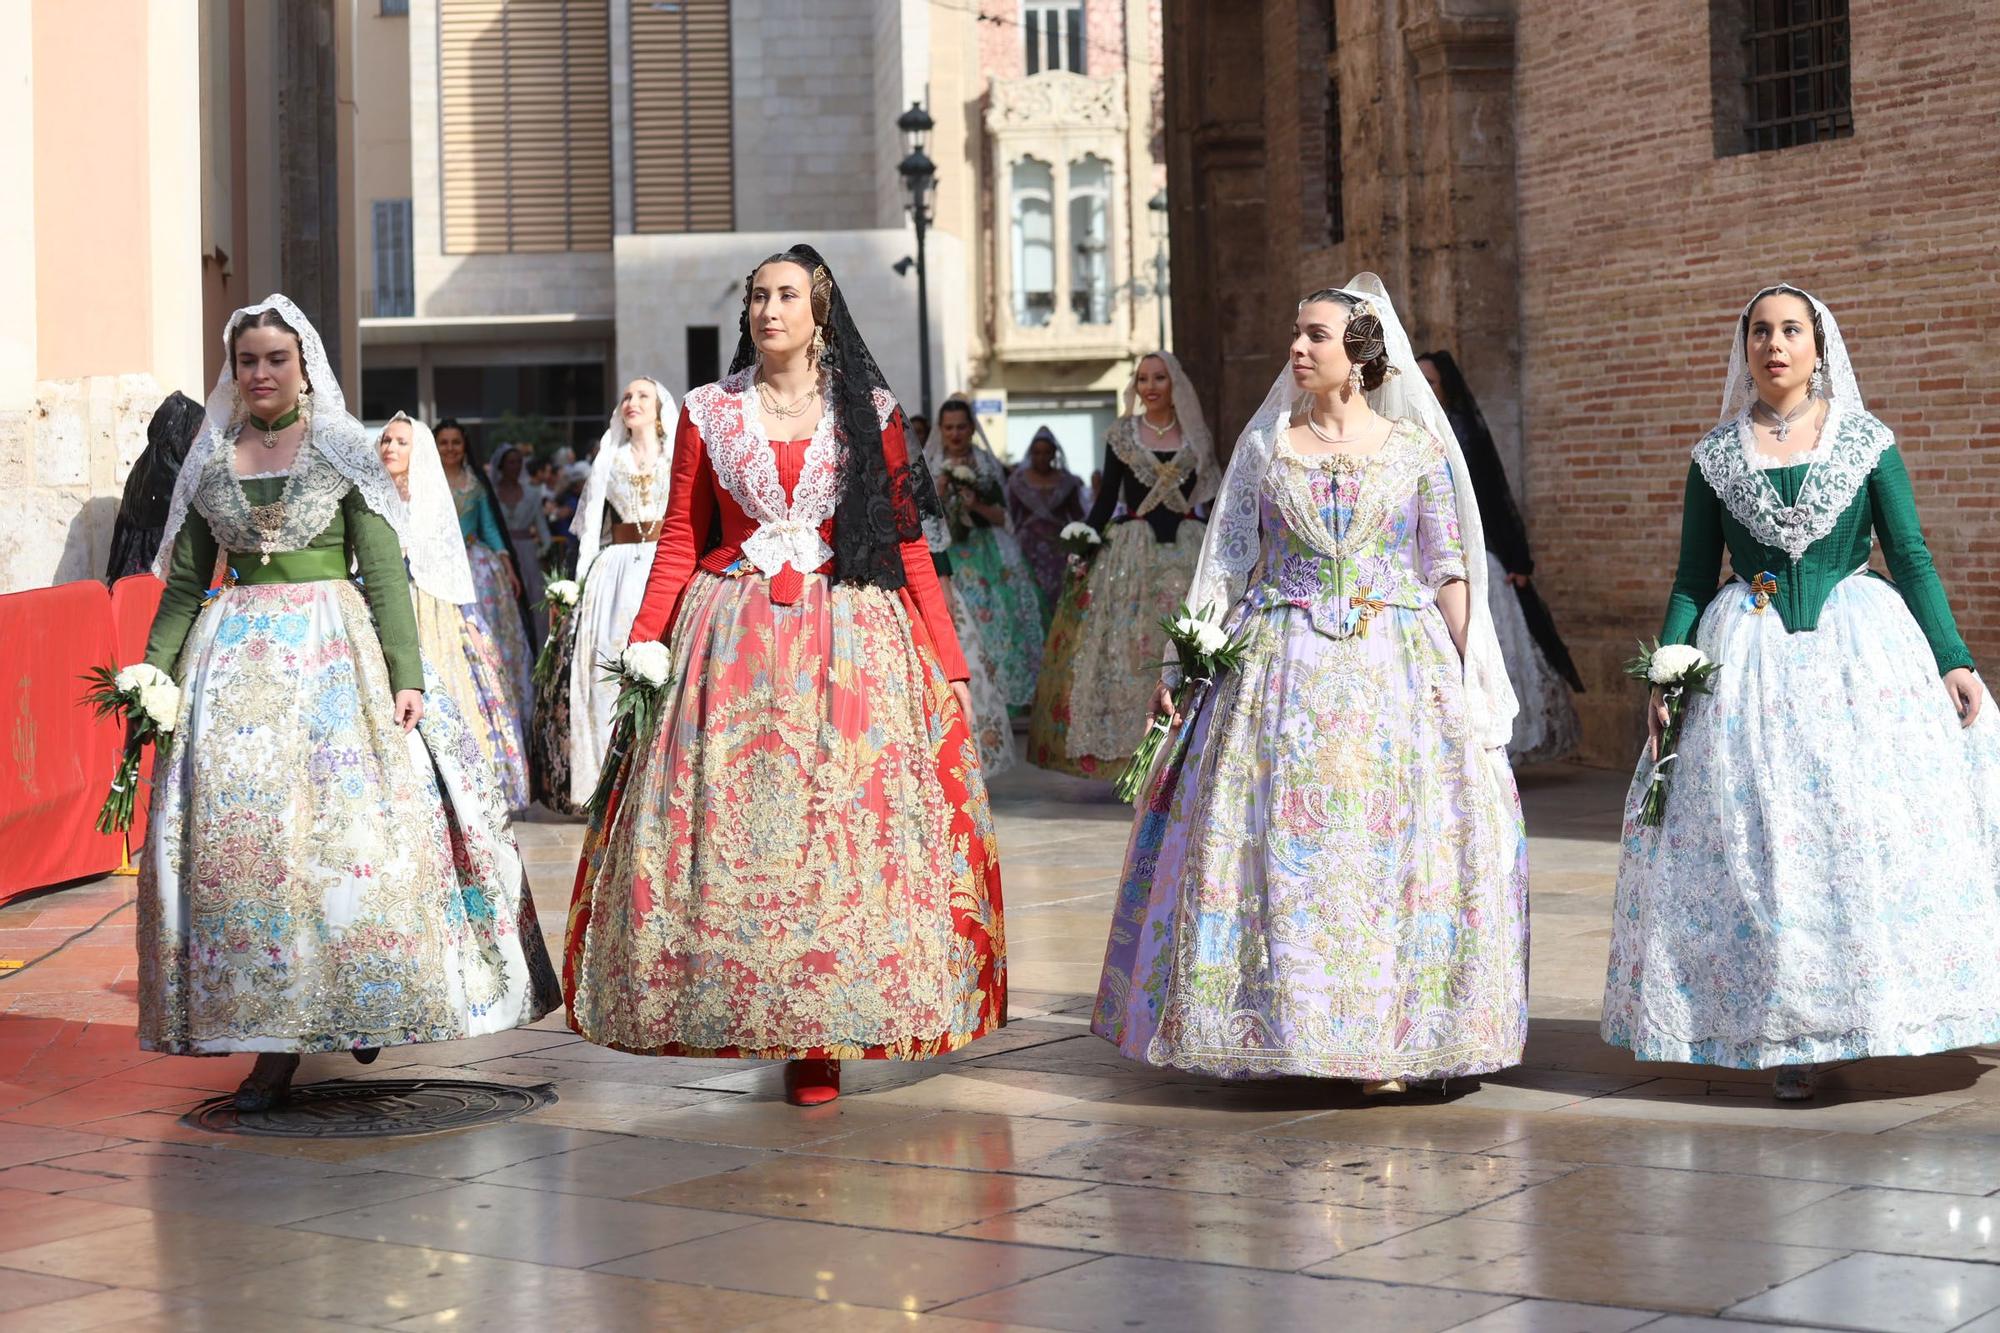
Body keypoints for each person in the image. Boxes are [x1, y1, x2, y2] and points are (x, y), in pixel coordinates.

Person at [563, 246, 1005, 1107]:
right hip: (729, 641)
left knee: (838, 831)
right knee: (743, 833)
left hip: (850, 643)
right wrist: (645, 645)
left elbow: (906, 540)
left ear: (820, 310)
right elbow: (682, 543)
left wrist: (947, 664)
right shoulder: (707, 413)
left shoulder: (869, 410)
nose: (770, 310)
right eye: (759, 296)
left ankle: (819, 1041)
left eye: (787, 295)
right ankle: (747, 1004)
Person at [1092, 276, 1527, 1090]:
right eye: (1296, 334)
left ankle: (1385, 1041)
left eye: (1315, 336)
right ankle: (1290, 1027)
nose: (1297, 348)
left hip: (1397, 673)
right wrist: (1182, 665)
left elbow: (1445, 567)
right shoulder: (1267, 450)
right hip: (1279, 669)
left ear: (1358, 354)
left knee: (1390, 849)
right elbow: (1224, 560)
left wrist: (1474, 677)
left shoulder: (1416, 450)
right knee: (1287, 849)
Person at [137, 296, 556, 1110]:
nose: (261, 374)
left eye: (275, 360)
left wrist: (406, 673)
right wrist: (152, 680)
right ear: (234, 369)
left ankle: (358, 997)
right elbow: (187, 583)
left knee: (346, 837)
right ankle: (273, 1044)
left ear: (303, 366)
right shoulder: (213, 459)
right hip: (235, 675)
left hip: (334, 661)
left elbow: (385, 568)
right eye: (248, 361)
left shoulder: (341, 449)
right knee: (251, 850)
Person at [1601, 283, 2000, 1101]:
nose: (1774, 344)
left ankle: (1880, 1008)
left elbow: (1912, 555)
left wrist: (1952, 657)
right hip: (1746, 663)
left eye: (1791, 330)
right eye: (1759, 332)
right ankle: (1791, 1037)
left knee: (1855, 835)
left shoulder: (1866, 442)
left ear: (1820, 347)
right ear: (1744, 349)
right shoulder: (1716, 456)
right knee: (1764, 842)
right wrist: (1669, 672)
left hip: (1860, 659)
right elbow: (1689, 576)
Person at [1033, 353, 1219, 779]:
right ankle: (1128, 753)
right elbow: (1104, 499)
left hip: (1186, 551)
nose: (1150, 386)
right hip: (1131, 553)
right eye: (1142, 379)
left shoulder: (1196, 435)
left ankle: (1184, 748)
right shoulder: (1122, 434)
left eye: (1159, 378)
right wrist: (1085, 543)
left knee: (1182, 644)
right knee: (1129, 650)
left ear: (1176, 384)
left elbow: (1211, 499)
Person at [1418, 349, 1582, 764]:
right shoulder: (1406, 432)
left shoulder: (1462, 433)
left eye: (1432, 382)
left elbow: (1492, 497)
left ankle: (1490, 748)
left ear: (1447, 388)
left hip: (1469, 561)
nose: (1425, 389)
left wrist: (1516, 560)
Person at [531, 377, 676, 815]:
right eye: (626, 397)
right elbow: (591, 526)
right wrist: (579, 584)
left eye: (642, 396)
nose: (632, 402)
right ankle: (602, 781)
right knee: (605, 667)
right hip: (616, 570)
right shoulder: (609, 457)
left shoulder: (676, 455)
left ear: (659, 407)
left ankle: (659, 774)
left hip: (664, 563)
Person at [377, 413, 532, 812]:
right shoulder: (370, 497)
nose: (391, 447)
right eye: (386, 440)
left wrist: (468, 618)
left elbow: (448, 560)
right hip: (381, 603)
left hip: (430, 606)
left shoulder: (434, 497)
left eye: (401, 442)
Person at [926, 400, 1046, 712]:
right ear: (941, 430)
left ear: (972, 428)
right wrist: (941, 495)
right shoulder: (931, 464)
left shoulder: (985, 464)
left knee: (1000, 626)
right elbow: (924, 519)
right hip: (950, 556)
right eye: (949, 427)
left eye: (961, 427)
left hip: (989, 553)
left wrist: (973, 504)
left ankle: (1003, 702)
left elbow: (1002, 517)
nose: (955, 434)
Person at [437, 420, 534, 714]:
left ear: (465, 445)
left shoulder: (475, 484)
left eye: (456, 441)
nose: (451, 448)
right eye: (444, 442)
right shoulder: (425, 481)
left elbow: (490, 528)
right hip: (438, 563)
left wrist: (508, 566)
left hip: (476, 566)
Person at [108, 391, 207, 581]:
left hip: (134, 584)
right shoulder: (178, 480)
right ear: (180, 435)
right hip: (165, 587)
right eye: (195, 433)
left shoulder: (143, 468)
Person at [1006, 425, 1087, 624]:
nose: (1042, 457)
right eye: (1037, 453)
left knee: (1058, 595)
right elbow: (1009, 516)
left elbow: (1077, 515)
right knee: (1031, 594)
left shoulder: (1067, 481)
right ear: (1030, 454)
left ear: (1054, 454)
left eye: (1046, 452)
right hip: (1027, 549)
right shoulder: (1018, 482)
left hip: (1058, 551)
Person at [493, 443, 551, 636]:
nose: (515, 466)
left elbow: (543, 530)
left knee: (533, 600)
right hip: (500, 553)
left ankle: (536, 646)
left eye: (519, 462)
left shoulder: (532, 494)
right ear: (501, 465)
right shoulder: (491, 494)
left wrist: (541, 551)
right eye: (511, 462)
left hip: (527, 554)